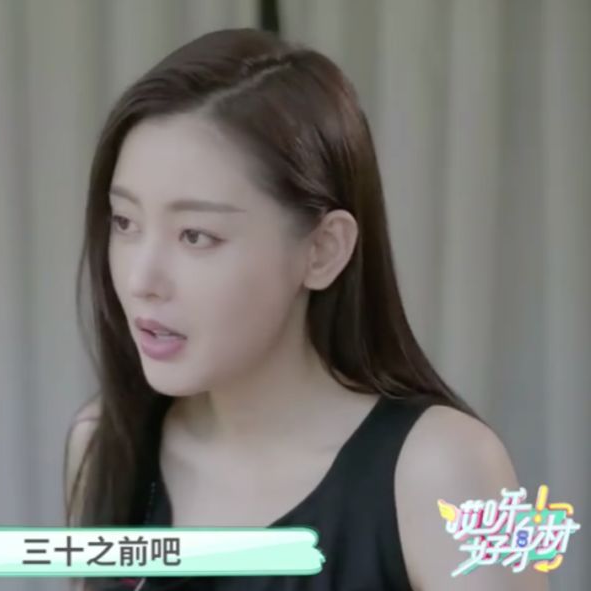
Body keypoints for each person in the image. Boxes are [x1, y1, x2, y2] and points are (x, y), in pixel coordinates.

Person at [64, 29, 545, 591]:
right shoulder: (102, 443)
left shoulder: (457, 467)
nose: (140, 280)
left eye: (195, 235)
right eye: (125, 222)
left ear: (323, 250)